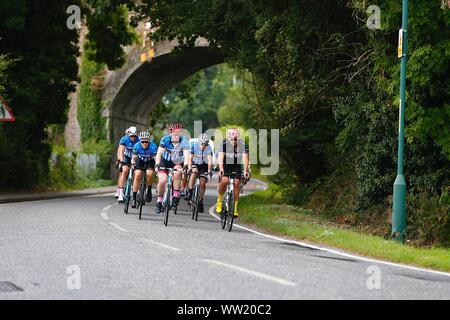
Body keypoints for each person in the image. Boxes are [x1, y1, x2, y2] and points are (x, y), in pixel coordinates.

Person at [154, 123, 190, 214]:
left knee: (178, 173)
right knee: (162, 180)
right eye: (175, 134)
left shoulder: (184, 141)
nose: (177, 136)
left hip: (177, 162)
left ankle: (176, 194)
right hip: (165, 161)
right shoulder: (165, 140)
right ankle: (159, 201)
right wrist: (157, 164)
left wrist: (185, 165)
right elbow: (158, 154)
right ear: (170, 134)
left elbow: (186, 156)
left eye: (179, 134)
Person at [216, 128, 250, 218]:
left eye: (235, 139)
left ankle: (234, 209)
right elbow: (220, 158)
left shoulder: (243, 145)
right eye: (232, 139)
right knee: (225, 181)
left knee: (236, 183)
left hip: (236, 166)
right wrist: (221, 169)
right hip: (226, 164)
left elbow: (245, 159)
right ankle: (219, 201)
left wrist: (246, 170)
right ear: (228, 138)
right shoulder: (224, 143)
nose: (233, 141)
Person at [130, 131, 158, 208]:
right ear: (140, 141)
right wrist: (133, 163)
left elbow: (156, 159)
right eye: (142, 142)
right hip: (140, 160)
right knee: (137, 174)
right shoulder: (137, 146)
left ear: (149, 141)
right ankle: (134, 198)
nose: (144, 143)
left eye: (146, 142)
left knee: (149, 174)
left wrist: (157, 166)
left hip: (150, 160)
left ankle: (149, 190)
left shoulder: (153, 146)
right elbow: (134, 158)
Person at [186, 133, 213, 213]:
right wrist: (190, 167)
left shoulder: (209, 148)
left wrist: (209, 170)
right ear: (198, 143)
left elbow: (210, 161)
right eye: (202, 144)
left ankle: (201, 199)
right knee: (194, 172)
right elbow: (190, 158)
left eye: (205, 144)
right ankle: (190, 192)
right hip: (195, 163)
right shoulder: (194, 146)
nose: (203, 146)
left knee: (202, 182)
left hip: (204, 165)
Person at [117, 126, 140, 203]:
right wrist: (121, 160)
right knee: (124, 171)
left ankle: (136, 190)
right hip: (127, 157)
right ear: (129, 135)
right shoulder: (124, 139)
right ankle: (120, 193)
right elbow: (121, 151)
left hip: (136, 158)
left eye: (134, 136)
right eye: (131, 136)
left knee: (135, 174)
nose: (133, 137)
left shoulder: (139, 140)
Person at [115, 127, 131, 199]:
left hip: (132, 158)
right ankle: (119, 191)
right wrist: (119, 160)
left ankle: (128, 189)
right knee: (122, 172)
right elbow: (119, 151)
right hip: (124, 157)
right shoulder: (124, 139)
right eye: (127, 134)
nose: (128, 135)